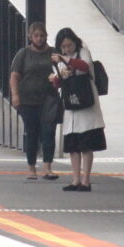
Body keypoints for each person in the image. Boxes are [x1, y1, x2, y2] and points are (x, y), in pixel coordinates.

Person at [49, 28, 104, 191]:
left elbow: (85, 67)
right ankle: (75, 179)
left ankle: (86, 180)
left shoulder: (83, 52)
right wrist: (57, 78)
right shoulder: (58, 60)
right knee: (73, 147)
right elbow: (58, 84)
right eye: (63, 47)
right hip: (70, 106)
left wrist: (66, 60)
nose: (67, 49)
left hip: (86, 104)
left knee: (86, 144)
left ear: (75, 42)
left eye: (69, 45)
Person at [10, 22, 59, 181]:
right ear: (30, 37)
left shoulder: (53, 53)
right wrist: (15, 95)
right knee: (32, 133)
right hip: (28, 100)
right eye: (36, 36)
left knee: (48, 132)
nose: (39, 39)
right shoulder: (23, 54)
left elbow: (62, 71)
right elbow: (15, 76)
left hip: (49, 99)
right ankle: (31, 167)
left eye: (42, 36)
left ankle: (47, 167)